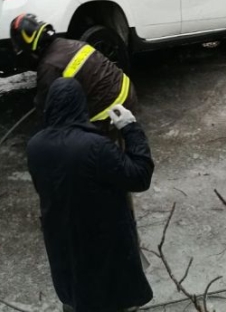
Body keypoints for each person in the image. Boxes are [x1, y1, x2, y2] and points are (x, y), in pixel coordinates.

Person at [27, 77, 154, 312]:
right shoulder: (95, 147)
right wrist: (131, 128)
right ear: (81, 106)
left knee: (75, 289)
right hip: (101, 240)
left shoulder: (35, 146)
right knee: (106, 295)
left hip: (60, 236)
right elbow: (140, 176)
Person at [9, 13, 137, 141]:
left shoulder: (49, 67)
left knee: (78, 147)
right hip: (127, 92)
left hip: (109, 111)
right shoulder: (68, 43)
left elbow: (48, 114)